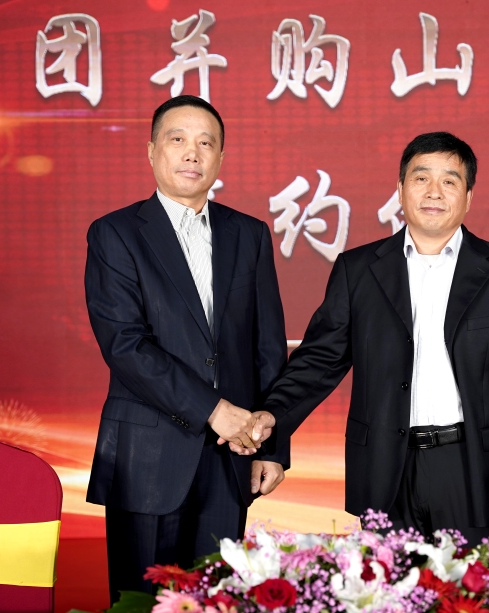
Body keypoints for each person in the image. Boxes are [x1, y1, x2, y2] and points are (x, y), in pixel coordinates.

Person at [264, 132, 489, 552]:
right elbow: (319, 361)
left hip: (473, 470)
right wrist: (269, 422)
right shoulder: (358, 270)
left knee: (476, 586)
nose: (434, 192)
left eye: (449, 181)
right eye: (421, 178)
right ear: (400, 190)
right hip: (385, 468)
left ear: (468, 196)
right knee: (390, 585)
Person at [84, 95, 288, 601]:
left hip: (230, 458)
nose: (192, 153)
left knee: (218, 600)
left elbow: (267, 347)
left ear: (220, 158)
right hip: (147, 456)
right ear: (152, 151)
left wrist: (273, 447)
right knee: (143, 603)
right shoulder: (115, 234)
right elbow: (125, 345)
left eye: (206, 143)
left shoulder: (249, 235)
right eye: (177, 139)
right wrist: (214, 410)